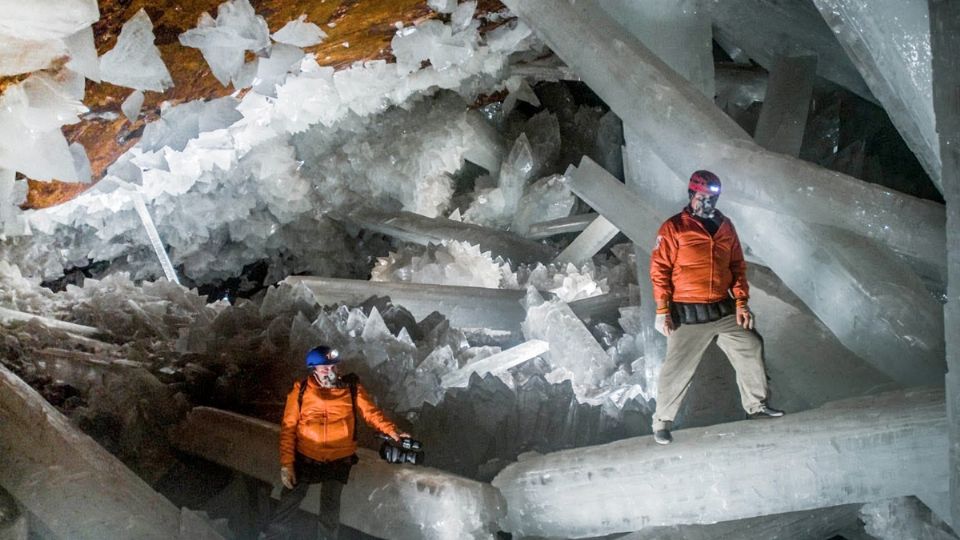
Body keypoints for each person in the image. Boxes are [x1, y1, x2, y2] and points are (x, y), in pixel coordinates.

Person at [649, 170, 783, 445]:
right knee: (677, 369)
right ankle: (661, 422)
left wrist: (742, 303)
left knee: (750, 345)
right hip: (687, 313)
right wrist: (663, 310)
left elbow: (737, 267)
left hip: (722, 309)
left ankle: (756, 407)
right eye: (702, 197)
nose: (707, 203)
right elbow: (659, 270)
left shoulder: (725, 226)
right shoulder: (674, 228)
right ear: (691, 195)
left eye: (712, 198)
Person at [261, 345, 408, 539]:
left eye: (333, 367)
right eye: (324, 368)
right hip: (307, 457)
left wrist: (393, 431)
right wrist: (287, 464)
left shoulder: (351, 389)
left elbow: (371, 414)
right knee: (289, 501)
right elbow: (289, 428)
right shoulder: (301, 391)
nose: (330, 372)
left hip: (339, 459)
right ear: (314, 370)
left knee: (330, 509)